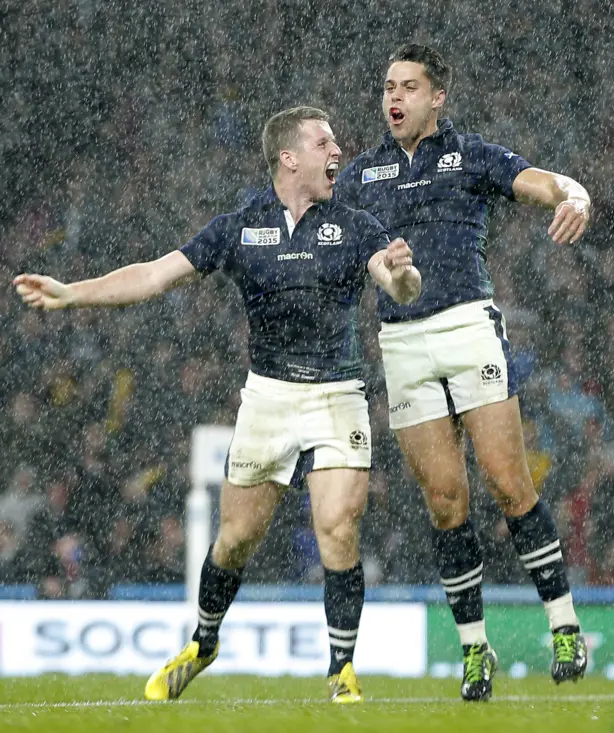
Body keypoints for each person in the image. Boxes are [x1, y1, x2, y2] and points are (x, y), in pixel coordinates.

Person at [13, 106, 421, 704]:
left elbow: (397, 284)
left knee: (338, 526)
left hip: (337, 393)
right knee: (235, 540)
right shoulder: (237, 226)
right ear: (289, 157)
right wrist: (74, 294)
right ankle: (204, 643)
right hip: (267, 398)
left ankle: (341, 671)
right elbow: (155, 275)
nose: (338, 150)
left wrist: (403, 275)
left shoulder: (357, 225)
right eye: (323, 141)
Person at [335, 44, 590, 701]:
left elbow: (536, 181)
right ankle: (476, 649)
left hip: (467, 324)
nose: (394, 98)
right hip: (403, 342)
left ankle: (563, 624)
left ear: (436, 96)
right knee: (446, 502)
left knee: (509, 483)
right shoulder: (362, 176)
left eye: (409, 87)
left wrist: (572, 194)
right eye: (388, 85)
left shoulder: (470, 154)